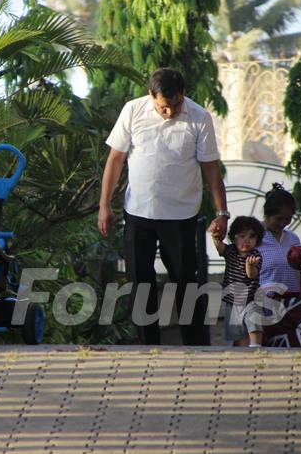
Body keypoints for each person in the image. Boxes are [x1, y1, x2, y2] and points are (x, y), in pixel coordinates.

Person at [97, 67, 228, 346]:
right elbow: (115, 160)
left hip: (180, 216)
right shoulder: (133, 111)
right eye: (163, 107)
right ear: (151, 96)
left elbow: (211, 168)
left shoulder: (199, 118)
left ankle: (196, 347)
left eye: (176, 104)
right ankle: (148, 347)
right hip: (138, 213)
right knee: (139, 284)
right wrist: (104, 205)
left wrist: (222, 212)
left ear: (183, 95)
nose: (170, 112)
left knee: (185, 283)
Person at [256, 183, 301, 347]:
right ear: (268, 214)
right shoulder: (254, 236)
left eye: (288, 219)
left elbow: (300, 272)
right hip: (264, 304)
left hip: (292, 306)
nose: (283, 223)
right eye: (279, 219)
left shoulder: (293, 239)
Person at [212, 216, 264, 347]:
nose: (247, 240)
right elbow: (220, 247)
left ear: (257, 240)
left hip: (251, 298)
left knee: (254, 323)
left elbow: (252, 275)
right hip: (233, 300)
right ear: (234, 237)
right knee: (237, 333)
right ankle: (243, 354)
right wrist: (215, 235)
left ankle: (256, 347)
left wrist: (250, 266)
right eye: (242, 236)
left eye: (252, 237)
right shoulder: (230, 251)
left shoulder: (255, 255)